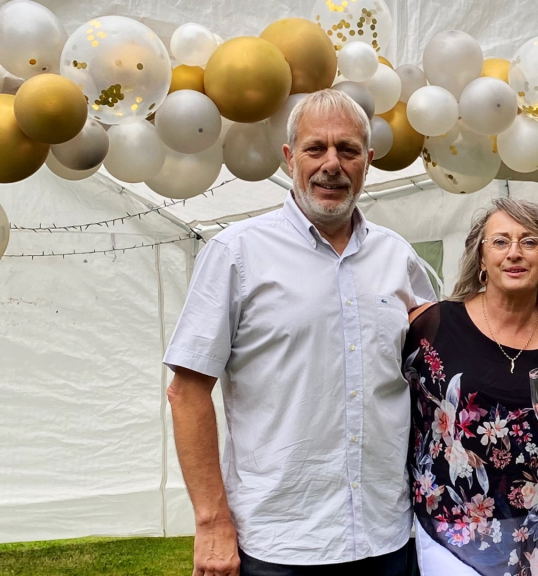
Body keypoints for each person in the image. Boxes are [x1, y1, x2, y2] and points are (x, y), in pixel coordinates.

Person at [164, 89, 436, 576]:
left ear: (368, 161)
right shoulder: (236, 253)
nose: (332, 164)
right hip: (280, 543)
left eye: (348, 150)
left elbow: (432, 378)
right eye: (316, 148)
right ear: (290, 157)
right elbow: (187, 392)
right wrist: (211, 521)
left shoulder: (399, 258)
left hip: (387, 535)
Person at [403, 198, 538, 576]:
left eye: (530, 242)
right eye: (499, 241)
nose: (514, 252)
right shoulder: (432, 325)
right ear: (481, 258)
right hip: (455, 536)